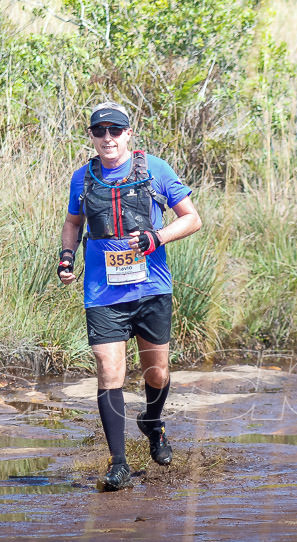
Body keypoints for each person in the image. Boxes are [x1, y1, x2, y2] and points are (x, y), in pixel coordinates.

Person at [57, 102, 202, 492]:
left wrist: (158, 236)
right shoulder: (82, 178)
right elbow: (74, 222)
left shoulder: (155, 169)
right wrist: (67, 256)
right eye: (99, 131)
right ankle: (118, 463)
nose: (108, 138)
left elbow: (192, 218)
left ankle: (152, 423)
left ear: (128, 133)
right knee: (109, 370)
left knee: (157, 372)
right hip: (103, 293)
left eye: (115, 130)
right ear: (91, 135)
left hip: (151, 288)